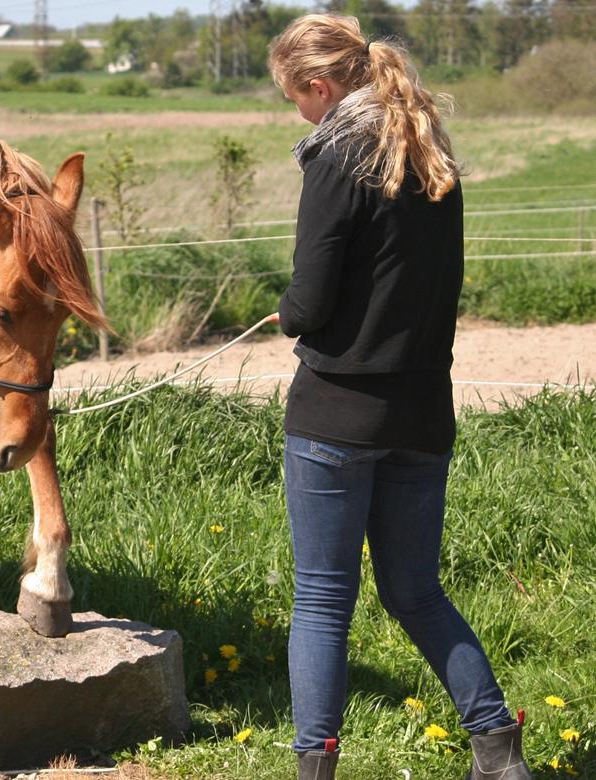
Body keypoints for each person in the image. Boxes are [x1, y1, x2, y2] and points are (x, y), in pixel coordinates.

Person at [268, 14, 532, 780]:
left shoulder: (337, 152)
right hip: (423, 408)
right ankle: (498, 753)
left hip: (335, 411)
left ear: (319, 86)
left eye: (296, 97)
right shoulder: (425, 145)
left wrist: (287, 312)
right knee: (416, 591)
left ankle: (314, 768)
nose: (299, 113)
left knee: (321, 603)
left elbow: (312, 302)